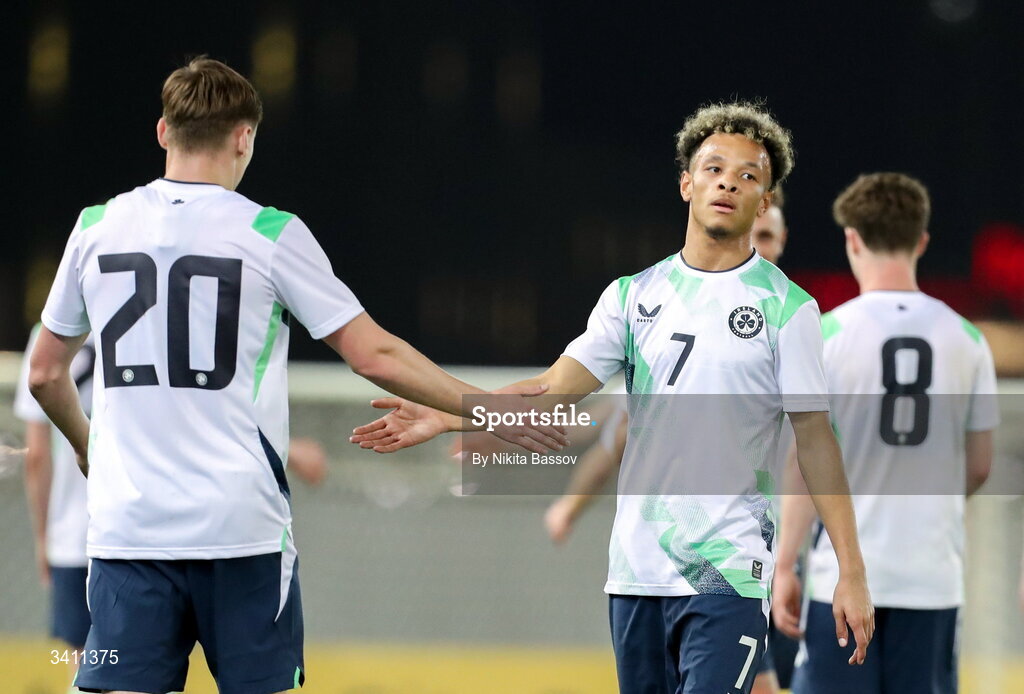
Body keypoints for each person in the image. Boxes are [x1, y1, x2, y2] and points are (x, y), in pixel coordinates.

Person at [28, 57, 565, 694]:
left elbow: (43, 374)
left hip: (128, 533)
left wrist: (90, 448)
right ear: (244, 137)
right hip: (240, 532)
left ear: (163, 132)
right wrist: (485, 407)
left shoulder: (96, 227)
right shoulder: (269, 232)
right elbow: (375, 356)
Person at [350, 102, 875, 693]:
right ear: (686, 183)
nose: (728, 181)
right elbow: (550, 391)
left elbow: (815, 440)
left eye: (748, 174)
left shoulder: (789, 309)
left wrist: (850, 569)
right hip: (637, 572)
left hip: (727, 574)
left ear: (765, 199)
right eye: (712, 168)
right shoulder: (632, 296)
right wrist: (450, 417)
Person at [542, 188, 795, 694]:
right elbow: (612, 428)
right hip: (678, 564)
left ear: (781, 238)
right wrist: (569, 503)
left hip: (766, 560)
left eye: (768, 235)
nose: (759, 244)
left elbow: (820, 447)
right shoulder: (666, 309)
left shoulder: (788, 318)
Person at [772, 173, 998, 694]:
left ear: (851, 239)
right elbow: (981, 463)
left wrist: (786, 564)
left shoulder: (825, 334)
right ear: (921, 241)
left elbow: (801, 464)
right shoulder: (967, 339)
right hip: (931, 576)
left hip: (842, 580)